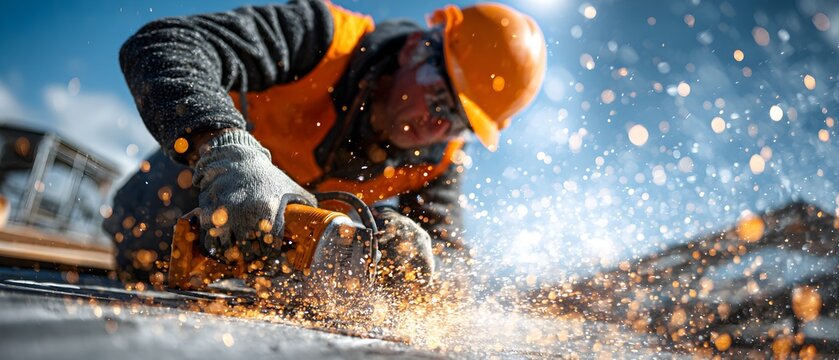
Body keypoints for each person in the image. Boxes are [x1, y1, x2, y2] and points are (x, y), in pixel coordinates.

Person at [103, 0, 546, 292]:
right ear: (415, 48)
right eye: (440, 100)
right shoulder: (324, 39)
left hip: (274, 273)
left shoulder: (441, 159)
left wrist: (416, 262)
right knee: (143, 252)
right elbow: (161, 44)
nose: (438, 126)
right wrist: (228, 152)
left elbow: (450, 260)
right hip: (188, 203)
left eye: (459, 123)